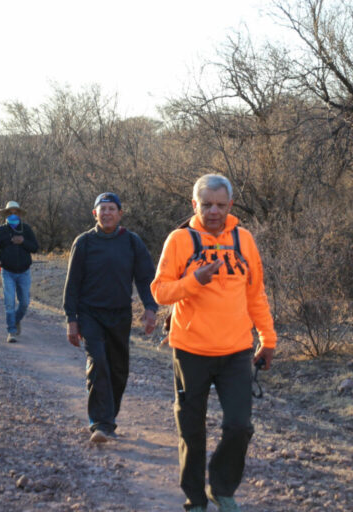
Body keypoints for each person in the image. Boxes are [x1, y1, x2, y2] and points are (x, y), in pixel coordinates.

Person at [151, 174, 276, 512]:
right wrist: (193, 281)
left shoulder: (245, 240)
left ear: (230, 205)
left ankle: (221, 487)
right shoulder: (179, 240)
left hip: (236, 351)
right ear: (195, 205)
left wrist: (268, 339)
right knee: (191, 430)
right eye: (206, 204)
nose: (214, 211)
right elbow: (160, 290)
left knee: (239, 426)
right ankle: (195, 499)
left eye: (220, 205)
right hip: (190, 350)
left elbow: (256, 295)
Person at [63, 192, 158, 444]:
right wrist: (71, 319)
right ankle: (100, 424)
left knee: (118, 370)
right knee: (99, 364)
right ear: (95, 213)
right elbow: (72, 284)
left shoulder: (132, 242)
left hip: (120, 315)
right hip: (90, 314)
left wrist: (150, 308)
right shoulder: (83, 242)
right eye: (102, 209)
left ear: (120, 213)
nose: (106, 213)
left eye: (111, 209)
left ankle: (108, 418)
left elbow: (146, 278)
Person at [0, 201, 39, 343]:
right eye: (10, 213)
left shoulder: (27, 229)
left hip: (24, 271)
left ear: (19, 214)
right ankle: (11, 331)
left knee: (24, 303)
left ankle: (16, 320)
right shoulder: (0, 231)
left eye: (15, 212)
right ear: (6, 214)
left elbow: (35, 248)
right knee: (9, 302)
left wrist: (23, 241)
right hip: (7, 271)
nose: (13, 215)